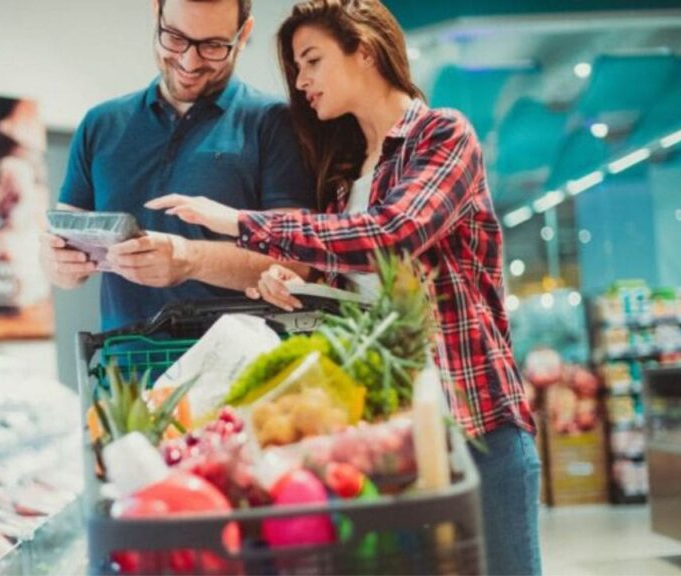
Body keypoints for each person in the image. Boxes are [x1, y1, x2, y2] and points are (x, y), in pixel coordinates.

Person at [148, 0, 541, 573]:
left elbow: (393, 234)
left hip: (475, 423)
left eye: (312, 61)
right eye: (296, 69)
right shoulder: (345, 181)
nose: (301, 82)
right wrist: (293, 279)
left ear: (365, 48)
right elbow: (349, 281)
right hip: (391, 438)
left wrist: (239, 221)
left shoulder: (442, 135)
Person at [41, 0, 314, 331]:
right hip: (124, 369)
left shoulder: (275, 123)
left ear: (244, 35)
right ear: (156, 13)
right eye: (174, 37)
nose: (189, 61)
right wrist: (58, 263)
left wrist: (189, 259)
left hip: (240, 372)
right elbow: (63, 250)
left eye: (213, 46)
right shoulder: (100, 124)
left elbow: (297, 263)